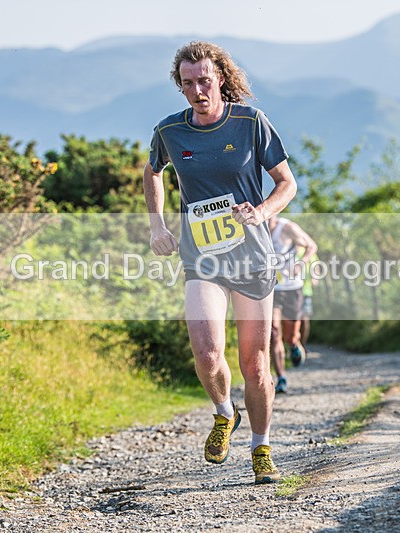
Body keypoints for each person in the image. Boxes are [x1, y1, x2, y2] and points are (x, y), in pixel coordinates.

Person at [143, 41, 298, 485]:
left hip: (252, 258)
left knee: (256, 363)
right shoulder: (170, 131)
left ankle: (262, 446)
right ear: (181, 86)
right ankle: (224, 411)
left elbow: (286, 182)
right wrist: (157, 225)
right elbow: (153, 170)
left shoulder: (252, 122)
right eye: (188, 83)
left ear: (222, 79)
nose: (197, 91)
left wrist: (263, 211)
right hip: (202, 259)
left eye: (204, 81)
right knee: (208, 353)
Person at [269, 216, 318, 394]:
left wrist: (300, 263)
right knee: (274, 333)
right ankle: (281, 377)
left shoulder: (287, 227)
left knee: (290, 336)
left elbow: (312, 246)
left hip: (292, 288)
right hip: (272, 288)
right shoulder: (254, 226)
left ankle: (295, 345)